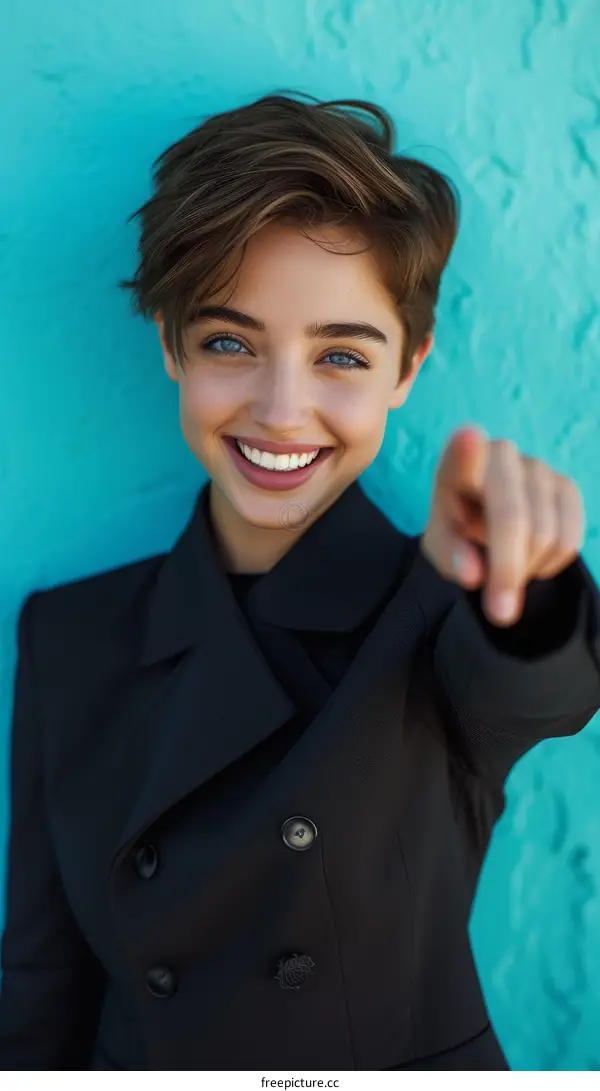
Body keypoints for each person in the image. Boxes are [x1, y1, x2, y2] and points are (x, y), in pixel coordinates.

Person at [1, 91, 599, 1073]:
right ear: (169, 342)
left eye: (340, 356)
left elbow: (545, 684)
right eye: (230, 342)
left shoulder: (440, 613)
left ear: (409, 367)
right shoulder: (69, 634)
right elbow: (40, 979)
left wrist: (518, 580)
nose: (283, 410)